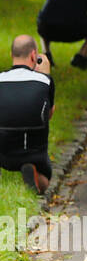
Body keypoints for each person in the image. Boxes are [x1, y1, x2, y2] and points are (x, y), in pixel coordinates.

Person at [0, 35, 55, 193]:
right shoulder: (45, 81)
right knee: (45, 177)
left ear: (12, 55)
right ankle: (36, 176)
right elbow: (48, 115)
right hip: (33, 152)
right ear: (34, 56)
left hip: (3, 149)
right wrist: (46, 74)